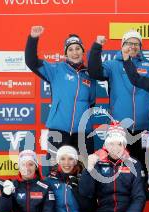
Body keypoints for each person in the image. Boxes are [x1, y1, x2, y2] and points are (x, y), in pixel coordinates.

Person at [88, 31, 149, 174]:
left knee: (142, 169)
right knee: (119, 170)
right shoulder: (112, 65)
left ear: (140, 47)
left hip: (144, 128)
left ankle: (140, 196)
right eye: (129, 43)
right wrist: (97, 47)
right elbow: (94, 71)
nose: (133, 47)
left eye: (136, 44)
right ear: (122, 45)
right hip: (119, 130)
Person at [25, 25, 97, 159]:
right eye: (70, 49)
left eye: (77, 49)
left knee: (85, 172)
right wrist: (33, 39)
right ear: (65, 53)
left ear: (83, 51)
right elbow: (31, 61)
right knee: (55, 171)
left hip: (83, 133)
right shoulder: (56, 70)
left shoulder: (89, 75)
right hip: (58, 131)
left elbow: (91, 102)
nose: (74, 52)